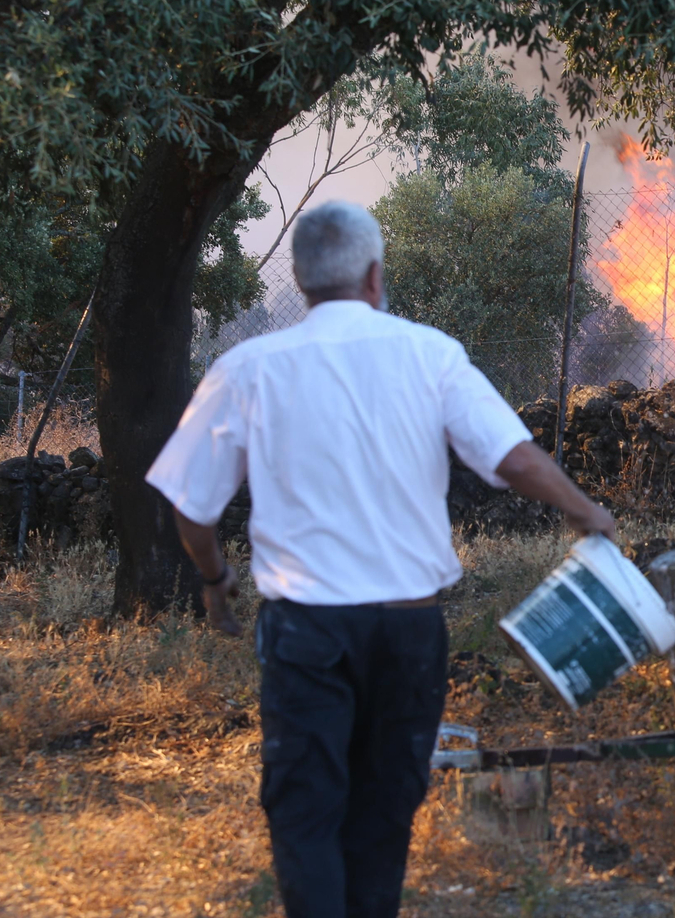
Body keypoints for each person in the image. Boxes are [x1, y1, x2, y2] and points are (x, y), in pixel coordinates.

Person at [146, 200, 613, 918]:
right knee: (385, 813)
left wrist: (215, 580)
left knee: (306, 813)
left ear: (301, 282)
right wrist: (586, 512)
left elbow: (192, 507)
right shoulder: (430, 355)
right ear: (374, 276)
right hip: (408, 633)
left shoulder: (248, 368)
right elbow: (514, 459)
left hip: (306, 633)